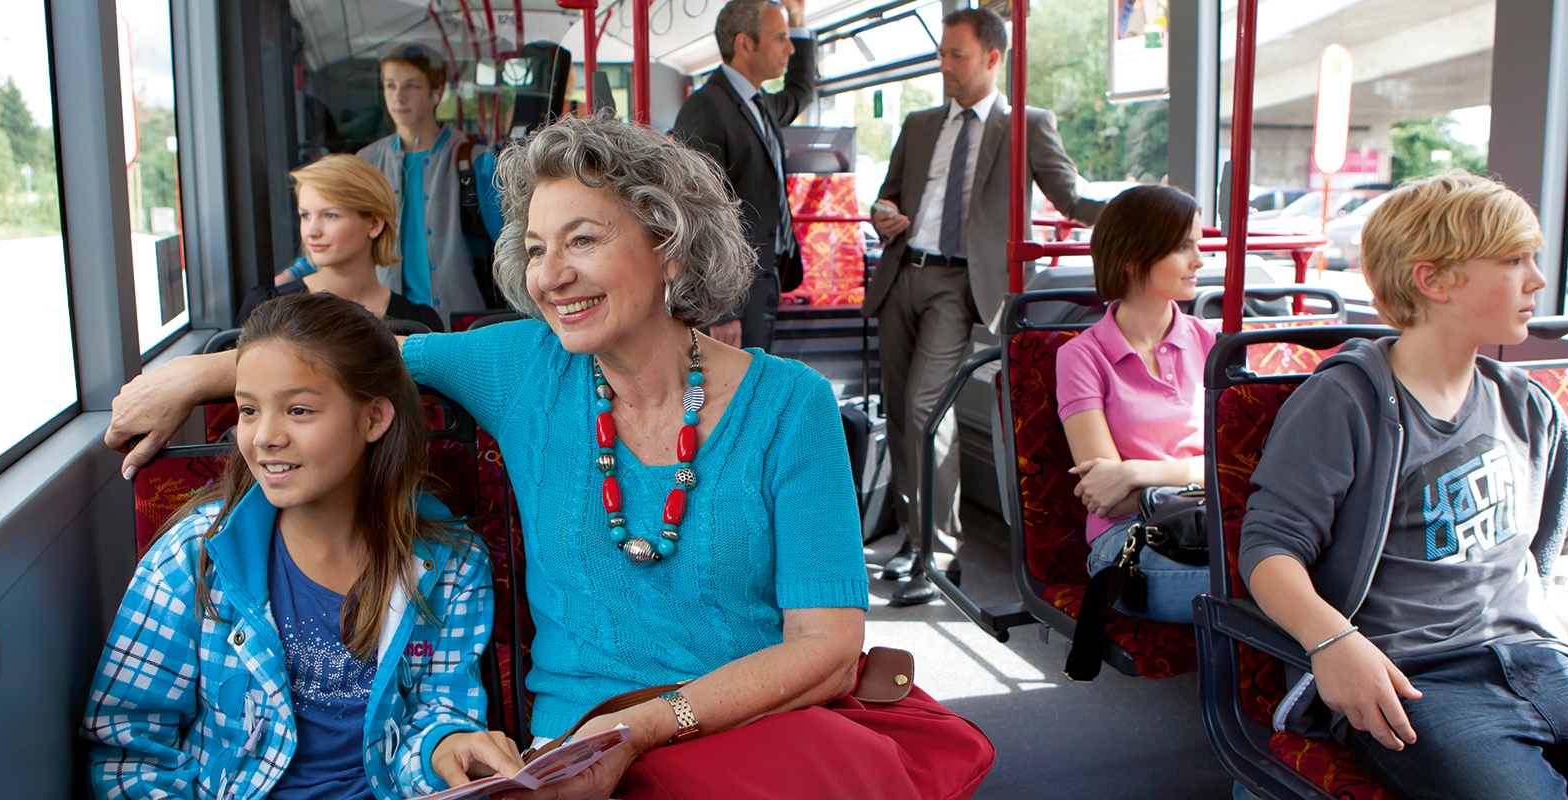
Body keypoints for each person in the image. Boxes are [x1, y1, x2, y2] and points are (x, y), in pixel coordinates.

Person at [102, 114, 993, 800]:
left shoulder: (789, 404)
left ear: (668, 244)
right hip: (580, 746)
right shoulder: (526, 365)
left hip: (751, 719)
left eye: (582, 240)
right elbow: (346, 358)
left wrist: (651, 727)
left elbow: (829, 649)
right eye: (534, 249)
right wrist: (194, 375)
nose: (550, 275)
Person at [1239, 172, 1568, 799]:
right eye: (1513, 260)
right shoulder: (1344, 402)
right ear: (1434, 279)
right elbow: (1269, 550)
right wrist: (1335, 642)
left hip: (1545, 658)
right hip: (1412, 677)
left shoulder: (1528, 407)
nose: (1536, 279)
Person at [82, 292, 523, 798]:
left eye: (298, 410)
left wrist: (444, 747)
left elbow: (439, 710)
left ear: (373, 419)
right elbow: (128, 750)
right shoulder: (192, 558)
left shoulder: (450, 562)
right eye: (248, 410)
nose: (265, 436)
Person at [865, 7, 1102, 605]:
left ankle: (937, 555)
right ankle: (912, 539)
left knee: (925, 412)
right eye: (942, 53)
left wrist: (1144, 215)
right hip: (902, 273)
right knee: (898, 413)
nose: (944, 65)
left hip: (957, 285)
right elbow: (887, 195)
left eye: (956, 55)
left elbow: (1071, 199)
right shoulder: (919, 125)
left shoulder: (1027, 125)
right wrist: (882, 213)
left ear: (993, 59)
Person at [1055, 185, 1213, 594]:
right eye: (1182, 246)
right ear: (1132, 255)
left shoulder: (1209, 341)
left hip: (1209, 521)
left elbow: (1235, 469)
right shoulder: (1082, 356)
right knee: (1264, 591)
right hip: (1129, 539)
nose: (1199, 259)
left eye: (1198, 243)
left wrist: (1136, 471)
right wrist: (1198, 472)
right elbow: (1107, 496)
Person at [279, 44, 494, 319]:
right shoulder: (366, 162)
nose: (399, 96)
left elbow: (510, 243)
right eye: (390, 85)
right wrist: (293, 275)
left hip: (460, 325)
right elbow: (335, 228)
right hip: (384, 322)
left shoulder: (472, 161)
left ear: (436, 93)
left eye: (411, 86)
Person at [670, 0, 815, 351]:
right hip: (734, 289)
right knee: (734, 395)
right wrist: (722, 309)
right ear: (745, 44)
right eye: (781, 37)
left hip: (767, 276)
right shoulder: (705, 108)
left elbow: (801, 92)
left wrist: (797, 20)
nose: (790, 47)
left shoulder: (760, 103)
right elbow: (699, 213)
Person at [239, 154, 445, 332]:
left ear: (374, 224)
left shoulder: (418, 324)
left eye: (330, 215)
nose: (312, 231)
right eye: (305, 215)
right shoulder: (266, 307)